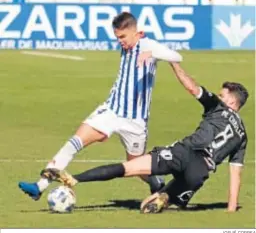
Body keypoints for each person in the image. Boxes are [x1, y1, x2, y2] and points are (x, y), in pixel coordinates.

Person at [42, 60, 249, 213]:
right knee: (155, 202)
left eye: (222, 95)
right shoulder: (242, 135)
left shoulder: (218, 108)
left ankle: (74, 178)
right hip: (200, 170)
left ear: (231, 103)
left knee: (127, 168)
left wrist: (174, 63)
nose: (219, 97)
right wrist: (231, 209)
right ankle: (165, 197)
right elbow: (235, 174)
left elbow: (192, 88)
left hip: (183, 152)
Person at [18, 12, 183, 200]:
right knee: (76, 141)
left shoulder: (148, 45)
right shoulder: (129, 45)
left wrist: (152, 53)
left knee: (135, 164)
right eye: (117, 37)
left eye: (123, 37)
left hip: (135, 120)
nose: (120, 41)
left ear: (135, 32)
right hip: (111, 110)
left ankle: (156, 183)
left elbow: (177, 56)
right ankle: (39, 186)